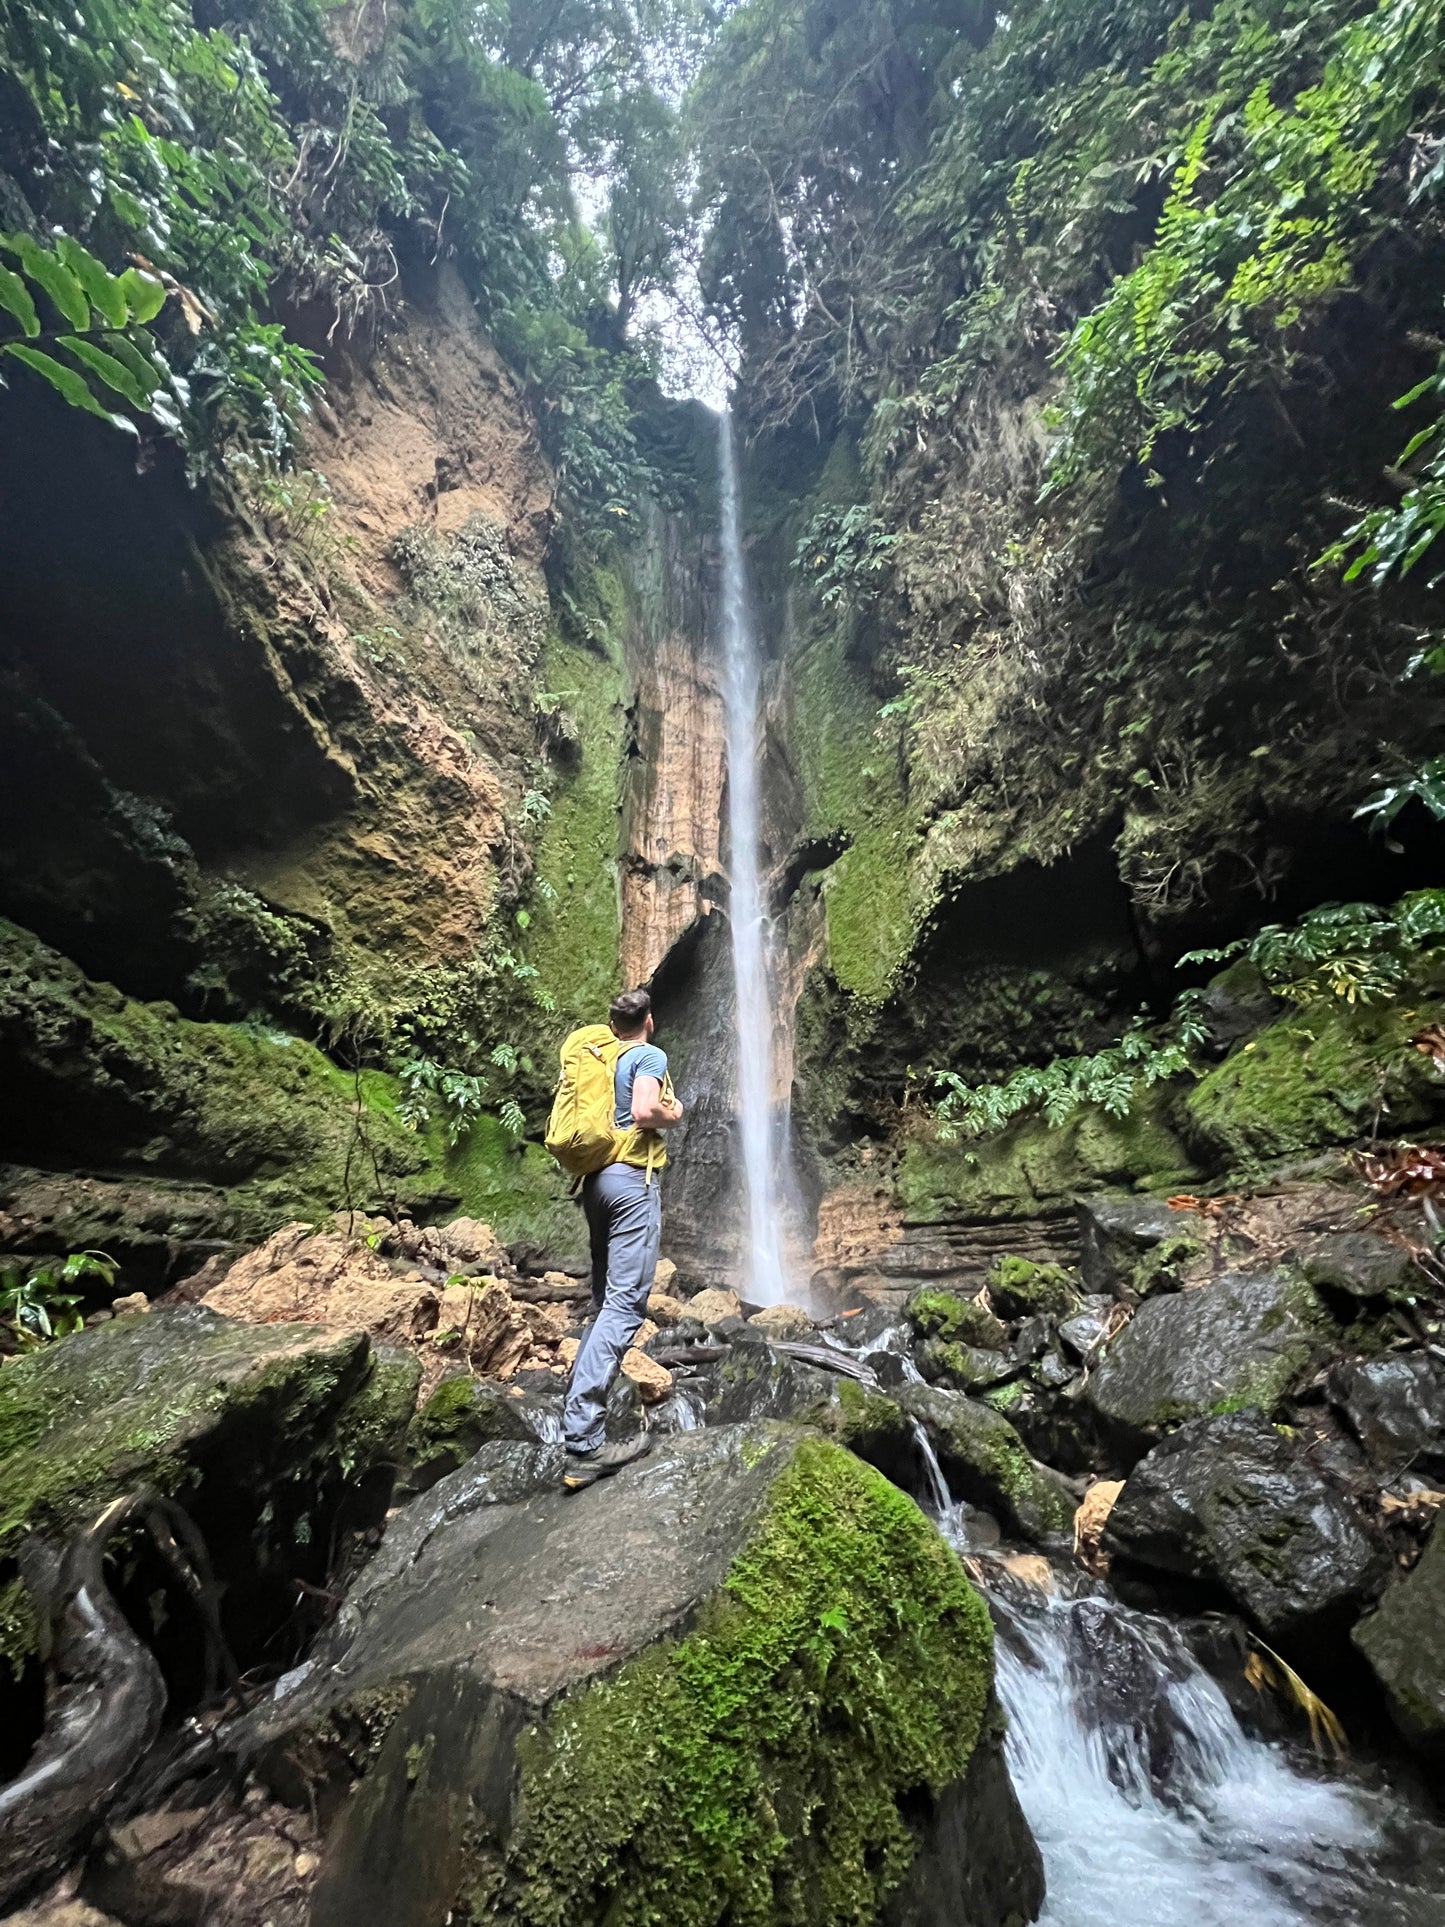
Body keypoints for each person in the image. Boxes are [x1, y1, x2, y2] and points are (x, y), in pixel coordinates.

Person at [562, 986, 684, 1490]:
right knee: (626, 1304)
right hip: (633, 1183)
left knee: (602, 1300)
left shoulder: (602, 1056)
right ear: (648, 1021)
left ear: (612, 1025)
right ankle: (584, 1443)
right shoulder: (647, 1054)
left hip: (596, 1185)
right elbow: (643, 1110)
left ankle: (577, 1418)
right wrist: (672, 1115)